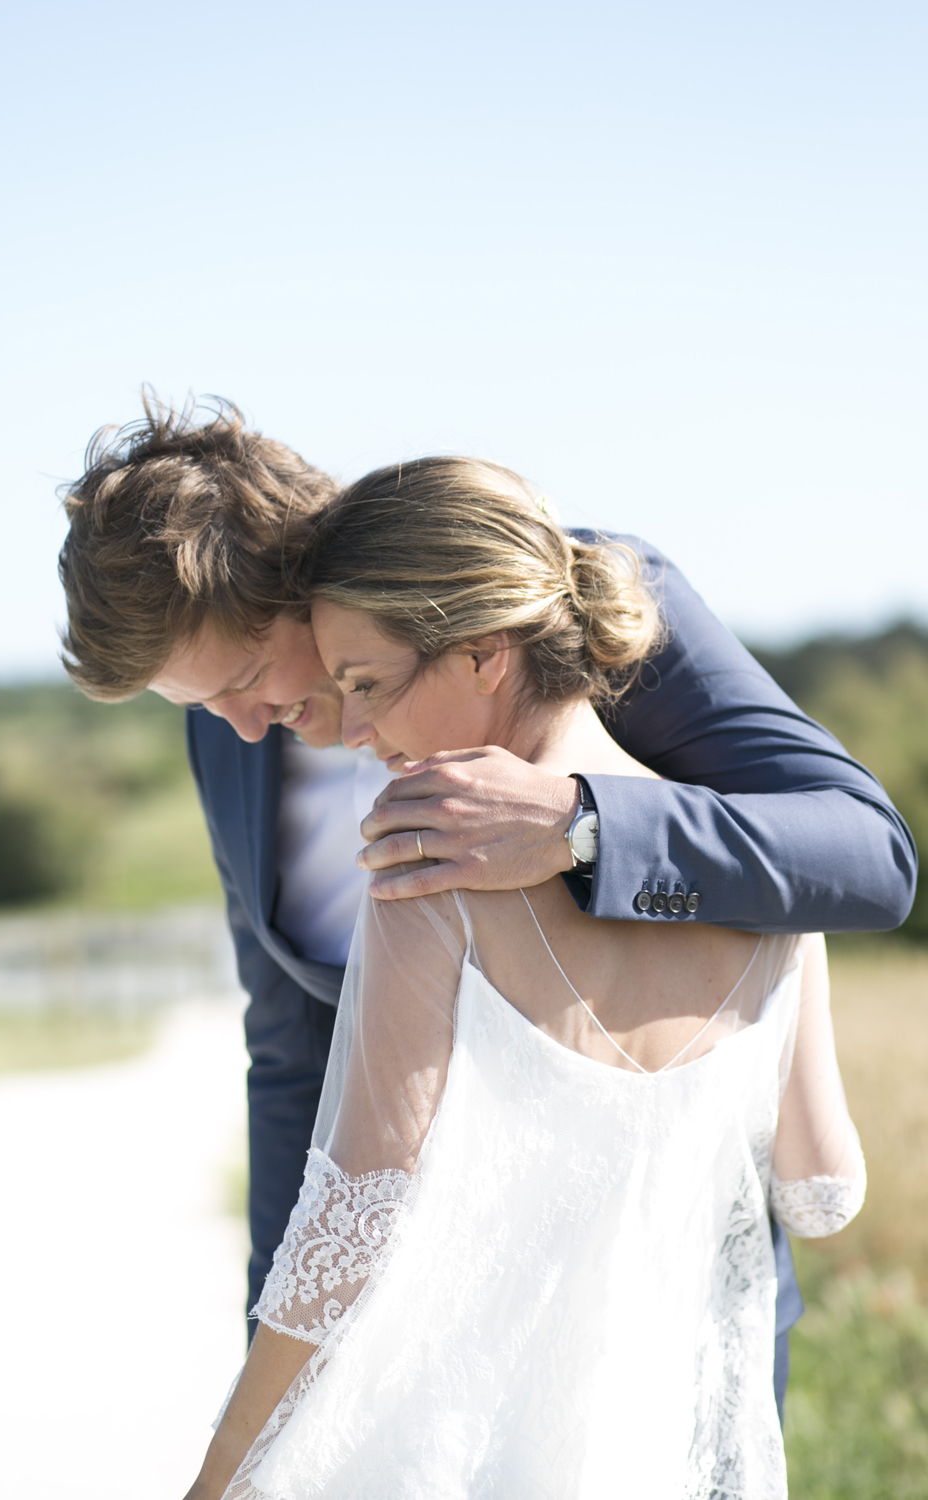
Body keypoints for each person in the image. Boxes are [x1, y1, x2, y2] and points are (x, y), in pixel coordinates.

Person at [57, 398, 914, 1414]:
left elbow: (867, 854)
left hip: (663, 1335)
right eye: (198, 704)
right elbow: (292, 1059)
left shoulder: (557, 592)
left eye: (247, 677)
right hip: (429, 1368)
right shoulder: (231, 743)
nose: (243, 728)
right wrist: (277, 1381)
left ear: (310, 582)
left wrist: (579, 825)